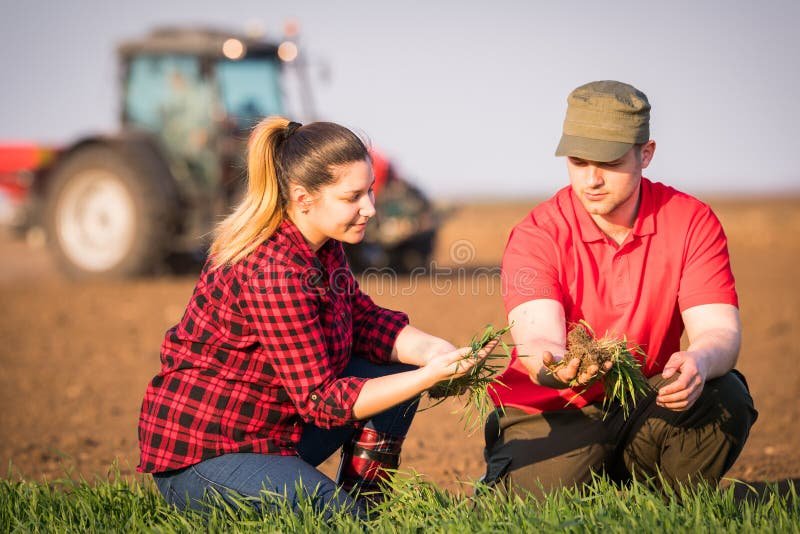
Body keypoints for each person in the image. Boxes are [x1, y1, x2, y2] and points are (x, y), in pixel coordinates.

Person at [138, 116, 495, 517]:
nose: (370, 209)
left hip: (272, 431)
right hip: (209, 455)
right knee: (343, 519)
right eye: (353, 197)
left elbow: (363, 321)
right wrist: (426, 377)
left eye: (371, 192)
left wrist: (433, 351)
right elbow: (320, 400)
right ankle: (352, 515)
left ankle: (367, 509)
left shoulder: (321, 246)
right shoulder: (272, 271)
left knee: (391, 385)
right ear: (303, 197)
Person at [483, 81, 757, 497]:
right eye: (578, 161)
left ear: (645, 154)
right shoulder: (536, 234)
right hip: (553, 409)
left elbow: (719, 332)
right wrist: (559, 365)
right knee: (533, 512)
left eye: (608, 162)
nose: (591, 179)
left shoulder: (691, 221)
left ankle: (663, 503)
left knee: (726, 395)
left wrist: (699, 362)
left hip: (644, 400)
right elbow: (536, 337)